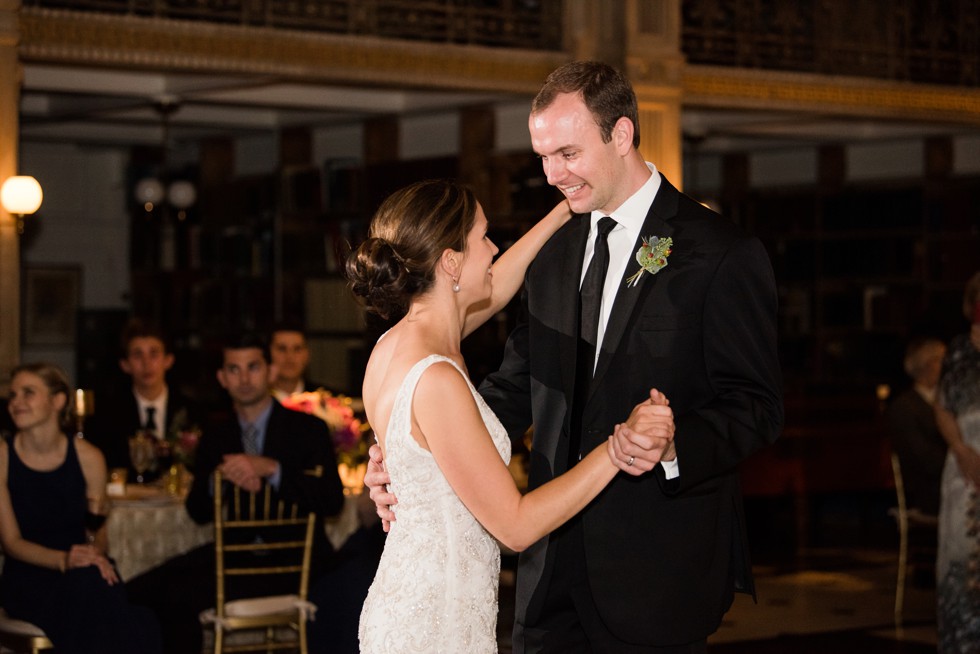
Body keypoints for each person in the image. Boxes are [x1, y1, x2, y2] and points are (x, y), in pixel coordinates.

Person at [367, 61, 784, 653]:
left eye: (567, 153)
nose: (552, 174)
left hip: (658, 572)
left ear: (620, 134)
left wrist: (672, 444)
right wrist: (412, 452)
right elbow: (514, 387)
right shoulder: (554, 250)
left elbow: (756, 407)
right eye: (542, 156)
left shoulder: (718, 252)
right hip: (547, 577)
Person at [348, 178, 671, 652]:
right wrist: (617, 449)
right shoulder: (436, 378)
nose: (495, 248)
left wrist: (567, 209)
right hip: (436, 622)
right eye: (483, 237)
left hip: (415, 601)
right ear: (451, 261)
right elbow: (515, 527)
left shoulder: (394, 344)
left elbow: (496, 287)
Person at [126, 332, 346, 654]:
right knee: (139, 591)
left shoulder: (307, 429)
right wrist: (221, 479)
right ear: (222, 379)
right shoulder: (217, 436)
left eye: (253, 367)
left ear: (270, 372)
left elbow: (332, 501)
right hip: (234, 556)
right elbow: (197, 512)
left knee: (177, 598)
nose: (244, 378)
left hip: (293, 563)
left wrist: (273, 470)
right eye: (234, 369)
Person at [0, 363, 162, 654]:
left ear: (58, 401)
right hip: (29, 577)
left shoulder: (89, 457)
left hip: (83, 569)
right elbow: (11, 543)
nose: (16, 402)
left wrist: (94, 554)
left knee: (122, 607)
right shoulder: (2, 456)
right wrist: (65, 560)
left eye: (28, 393)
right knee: (133, 622)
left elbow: (98, 532)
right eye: (13, 395)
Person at [87, 318, 202, 481]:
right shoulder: (108, 415)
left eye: (154, 354)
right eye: (137, 355)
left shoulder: (192, 411)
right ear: (125, 365)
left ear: (168, 360)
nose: (146, 364)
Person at [934, 270, 980, 653]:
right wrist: (961, 449)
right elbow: (942, 407)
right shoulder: (960, 350)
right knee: (960, 558)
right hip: (964, 462)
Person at [887, 336, 948, 517]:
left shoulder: (948, 400)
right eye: (943, 360)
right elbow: (923, 457)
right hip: (930, 489)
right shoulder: (905, 407)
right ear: (928, 364)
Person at [269, 322, 326, 399]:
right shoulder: (254, 402)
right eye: (282, 349)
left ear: (307, 354)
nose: (290, 357)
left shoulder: (327, 399)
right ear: (269, 353)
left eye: (297, 349)